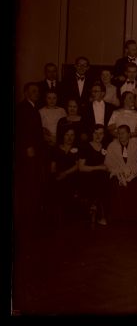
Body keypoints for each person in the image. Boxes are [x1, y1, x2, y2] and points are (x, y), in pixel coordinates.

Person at [15, 82, 44, 237]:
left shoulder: (33, 107)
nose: (36, 93)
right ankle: (28, 222)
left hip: (35, 152)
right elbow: (22, 130)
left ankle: (32, 219)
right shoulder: (22, 108)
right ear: (25, 92)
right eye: (33, 91)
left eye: (37, 91)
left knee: (34, 185)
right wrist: (28, 147)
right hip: (28, 154)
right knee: (29, 185)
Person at [104, 124, 137, 222]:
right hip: (117, 174)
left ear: (129, 134)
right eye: (118, 133)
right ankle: (119, 217)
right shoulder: (112, 146)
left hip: (132, 173)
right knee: (116, 184)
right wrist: (120, 173)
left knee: (136, 183)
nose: (120, 135)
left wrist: (130, 173)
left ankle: (134, 216)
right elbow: (108, 163)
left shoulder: (136, 146)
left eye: (123, 133)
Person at [78, 124, 110, 226]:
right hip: (88, 176)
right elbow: (81, 167)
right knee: (99, 178)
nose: (98, 136)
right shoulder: (85, 146)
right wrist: (98, 167)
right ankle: (101, 215)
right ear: (91, 134)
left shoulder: (106, 146)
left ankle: (94, 206)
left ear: (104, 135)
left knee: (103, 178)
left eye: (101, 133)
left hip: (102, 177)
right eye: (95, 133)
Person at [48, 127, 80, 226]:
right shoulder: (56, 149)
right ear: (63, 136)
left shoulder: (78, 149)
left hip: (72, 175)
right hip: (59, 175)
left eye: (72, 135)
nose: (69, 137)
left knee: (69, 184)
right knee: (55, 184)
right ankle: (57, 218)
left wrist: (65, 173)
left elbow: (77, 165)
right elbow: (53, 166)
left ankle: (67, 217)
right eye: (67, 135)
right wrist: (55, 175)